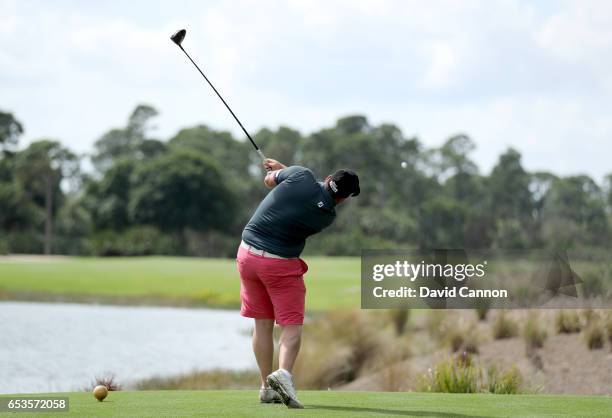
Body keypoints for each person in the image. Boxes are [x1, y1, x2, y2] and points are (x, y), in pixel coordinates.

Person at [236, 158, 360, 408]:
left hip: (246, 255)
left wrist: (282, 171)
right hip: (279, 265)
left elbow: (269, 181)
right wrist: (285, 173)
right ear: (344, 198)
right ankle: (283, 374)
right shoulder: (327, 217)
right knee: (291, 325)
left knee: (262, 324)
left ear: (328, 179)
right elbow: (304, 196)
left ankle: (265, 387)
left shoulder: (301, 175)